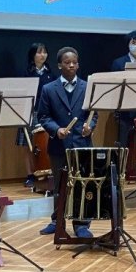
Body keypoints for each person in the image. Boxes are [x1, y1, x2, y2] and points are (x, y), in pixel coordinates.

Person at [37, 47, 98, 237]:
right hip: (58, 146)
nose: (71, 65)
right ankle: (57, 221)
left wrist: (90, 126)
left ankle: (81, 225)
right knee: (59, 186)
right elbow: (43, 116)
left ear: (78, 65)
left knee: (82, 184)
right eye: (67, 62)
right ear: (59, 65)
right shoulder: (48, 89)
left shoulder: (87, 87)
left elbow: (93, 114)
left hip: (82, 144)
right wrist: (57, 130)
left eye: (74, 62)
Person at [16, 42, 54, 187]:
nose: (42, 55)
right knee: (28, 145)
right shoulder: (25, 73)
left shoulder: (51, 74)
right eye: (39, 52)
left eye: (44, 52)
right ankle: (30, 175)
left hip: (46, 113)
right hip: (28, 112)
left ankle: (46, 172)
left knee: (44, 144)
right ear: (32, 55)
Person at [111, 30, 136, 151]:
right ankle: (122, 163)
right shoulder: (118, 63)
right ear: (128, 44)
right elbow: (114, 87)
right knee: (123, 146)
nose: (135, 45)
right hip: (124, 112)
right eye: (133, 43)